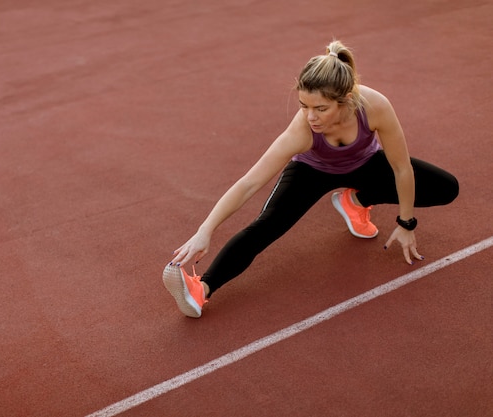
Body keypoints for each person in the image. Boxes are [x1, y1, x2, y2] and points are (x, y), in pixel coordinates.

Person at [162, 40, 459, 318]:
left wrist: (406, 223)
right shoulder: (302, 130)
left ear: (345, 101)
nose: (310, 116)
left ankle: (356, 202)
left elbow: (401, 168)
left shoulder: (375, 106)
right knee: (267, 225)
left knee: (445, 188)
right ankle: (202, 288)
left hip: (365, 164)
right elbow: (249, 183)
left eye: (320, 109)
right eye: (304, 106)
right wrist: (206, 230)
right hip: (312, 171)